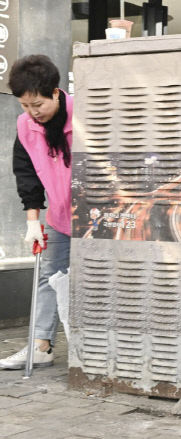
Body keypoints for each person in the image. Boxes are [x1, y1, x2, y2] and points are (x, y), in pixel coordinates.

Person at [0, 55, 72, 370]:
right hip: (59, 216)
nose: (32, 112)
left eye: (38, 104)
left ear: (56, 92)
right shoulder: (25, 125)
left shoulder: (87, 114)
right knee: (49, 276)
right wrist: (33, 221)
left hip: (99, 217)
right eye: (25, 105)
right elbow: (26, 171)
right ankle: (40, 345)